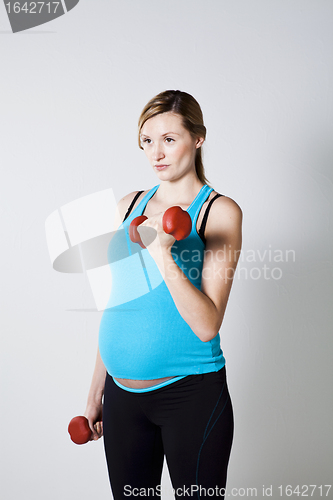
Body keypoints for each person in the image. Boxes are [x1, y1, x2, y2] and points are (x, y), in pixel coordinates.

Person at [84, 90, 242, 499]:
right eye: (147, 141)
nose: (157, 152)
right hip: (121, 398)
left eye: (169, 139)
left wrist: (163, 256)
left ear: (198, 138)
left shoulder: (218, 212)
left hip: (190, 394)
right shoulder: (128, 205)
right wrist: (95, 392)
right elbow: (119, 302)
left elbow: (207, 324)